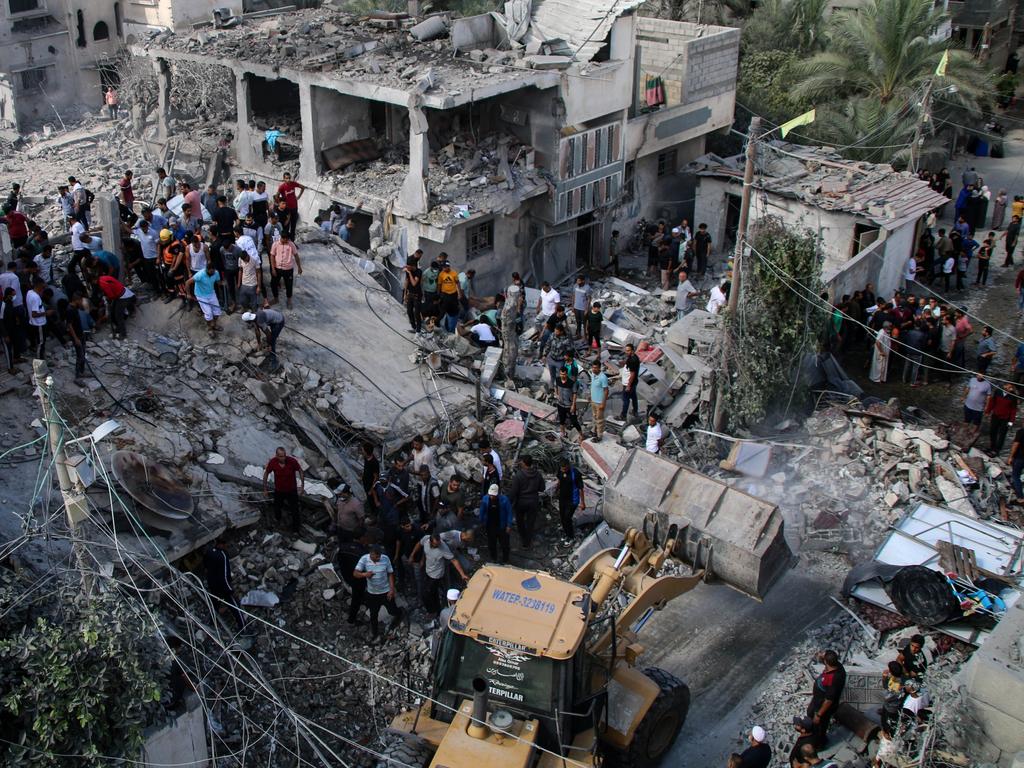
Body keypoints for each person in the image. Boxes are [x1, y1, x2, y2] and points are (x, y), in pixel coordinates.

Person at [411, 532, 467, 616]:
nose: (438, 546)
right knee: (433, 592)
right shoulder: (426, 539)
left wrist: (462, 574)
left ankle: (433, 611)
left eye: (439, 544)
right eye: (435, 544)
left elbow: (454, 560)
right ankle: (437, 609)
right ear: (430, 542)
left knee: (426, 593)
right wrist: (413, 555)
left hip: (436, 575)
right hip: (428, 570)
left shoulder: (443, 548)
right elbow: (419, 544)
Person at [353, 544, 403, 640]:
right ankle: (374, 633)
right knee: (373, 615)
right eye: (376, 557)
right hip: (372, 594)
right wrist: (365, 574)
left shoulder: (385, 559)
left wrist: (392, 589)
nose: (378, 558)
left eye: (379, 556)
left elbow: (390, 573)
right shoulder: (364, 559)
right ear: (371, 554)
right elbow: (355, 573)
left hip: (385, 591)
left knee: (392, 610)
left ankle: (399, 613)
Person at [806, 650, 846, 748]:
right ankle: (812, 733)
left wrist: (819, 715)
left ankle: (819, 744)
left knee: (819, 726)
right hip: (817, 700)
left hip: (823, 707)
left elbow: (829, 700)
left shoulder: (834, 679)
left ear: (826, 662)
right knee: (810, 714)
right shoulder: (836, 665)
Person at [263, 447, 304, 532]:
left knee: (295, 509)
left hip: (291, 490)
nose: (283, 458)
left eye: (284, 456)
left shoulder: (292, 461)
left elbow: (300, 470)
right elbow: (266, 473)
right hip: (279, 490)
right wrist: (265, 489)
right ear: (277, 456)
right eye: (281, 456)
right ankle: (278, 522)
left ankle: (296, 528)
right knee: (277, 508)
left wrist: (302, 486)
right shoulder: (273, 462)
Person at [507, 456, 544, 549]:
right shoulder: (538, 474)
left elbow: (514, 491)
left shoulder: (518, 475)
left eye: (521, 462)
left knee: (520, 521)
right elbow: (542, 488)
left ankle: (523, 539)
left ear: (524, 463)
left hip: (521, 502)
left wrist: (508, 503)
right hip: (533, 501)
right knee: (530, 522)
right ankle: (527, 541)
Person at [478, 484, 513, 564]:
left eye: (494, 495)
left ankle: (505, 559)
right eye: (491, 495)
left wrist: (509, 525)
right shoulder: (485, 499)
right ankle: (494, 558)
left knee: (505, 544)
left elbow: (509, 512)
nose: (492, 497)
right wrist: (481, 522)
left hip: (502, 526)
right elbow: (482, 511)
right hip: (490, 526)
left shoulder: (504, 500)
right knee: (491, 544)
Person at [186, 264, 222, 337]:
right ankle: (210, 329)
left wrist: (222, 283)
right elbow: (187, 282)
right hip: (201, 295)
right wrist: (188, 294)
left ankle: (214, 324)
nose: (213, 273)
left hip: (211, 293)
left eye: (213, 271)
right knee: (208, 314)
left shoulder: (216, 273)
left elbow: (218, 281)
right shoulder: (200, 275)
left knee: (217, 312)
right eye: (211, 272)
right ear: (207, 270)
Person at [269, 231, 301, 309]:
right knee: (273, 284)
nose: (286, 241)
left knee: (289, 285)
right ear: (281, 237)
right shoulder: (275, 244)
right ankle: (276, 298)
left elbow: (296, 256)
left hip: (288, 269)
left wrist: (299, 267)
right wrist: (273, 269)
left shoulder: (291, 244)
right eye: (284, 239)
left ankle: (289, 300)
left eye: (287, 239)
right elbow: (272, 256)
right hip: (277, 268)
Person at [556, 457, 585, 539]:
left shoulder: (575, 474)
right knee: (562, 517)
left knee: (567, 518)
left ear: (568, 466)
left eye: (565, 469)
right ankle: (566, 531)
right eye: (562, 469)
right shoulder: (560, 470)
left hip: (572, 500)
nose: (563, 471)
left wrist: (582, 503)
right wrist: (556, 490)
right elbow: (559, 480)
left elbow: (581, 489)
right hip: (562, 498)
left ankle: (570, 537)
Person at [555, 367, 584, 441]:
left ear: (567, 374)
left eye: (564, 374)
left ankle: (581, 435)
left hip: (569, 405)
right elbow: (556, 387)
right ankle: (563, 433)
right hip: (560, 404)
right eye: (561, 374)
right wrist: (557, 394)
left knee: (574, 421)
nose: (562, 376)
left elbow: (574, 394)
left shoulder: (571, 382)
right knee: (562, 420)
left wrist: (573, 405)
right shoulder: (558, 380)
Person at [65, 292, 87, 384]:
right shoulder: (70, 310)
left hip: (80, 334)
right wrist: (75, 339)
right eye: (81, 300)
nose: (82, 302)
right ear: (77, 300)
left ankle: (82, 371)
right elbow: (69, 325)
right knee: (80, 355)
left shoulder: (75, 308)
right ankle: (77, 376)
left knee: (83, 353)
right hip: (76, 336)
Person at [277, 172, 304, 238]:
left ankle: (292, 241)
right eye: (286, 178)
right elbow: (276, 196)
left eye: (289, 178)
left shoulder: (293, 184)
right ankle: (286, 240)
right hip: (287, 209)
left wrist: (299, 196)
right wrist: (280, 204)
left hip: (294, 207)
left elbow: (303, 187)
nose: (288, 180)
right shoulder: (282, 187)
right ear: (284, 179)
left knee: (293, 225)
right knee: (286, 225)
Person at [620, 343, 641, 421]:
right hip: (633, 383)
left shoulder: (632, 360)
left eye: (628, 350)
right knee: (634, 397)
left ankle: (623, 415)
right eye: (626, 350)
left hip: (628, 384)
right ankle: (635, 411)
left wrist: (628, 385)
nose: (626, 352)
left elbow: (632, 374)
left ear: (632, 350)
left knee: (625, 399)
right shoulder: (633, 357)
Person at [590, 359, 609, 442]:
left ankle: (599, 436)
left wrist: (603, 403)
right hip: (593, 401)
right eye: (593, 367)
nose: (594, 369)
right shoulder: (593, 375)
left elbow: (606, 390)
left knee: (600, 419)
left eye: (596, 368)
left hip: (599, 402)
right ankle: (594, 431)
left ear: (599, 368)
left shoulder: (603, 377)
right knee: (594, 417)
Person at [403, 256, 422, 333]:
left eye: (408, 266)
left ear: (413, 265)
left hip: (417, 295)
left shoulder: (419, 272)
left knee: (417, 313)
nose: (407, 267)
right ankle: (414, 327)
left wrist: (410, 273)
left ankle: (418, 330)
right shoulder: (408, 270)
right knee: (409, 311)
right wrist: (405, 294)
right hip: (410, 294)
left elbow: (414, 283)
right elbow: (407, 282)